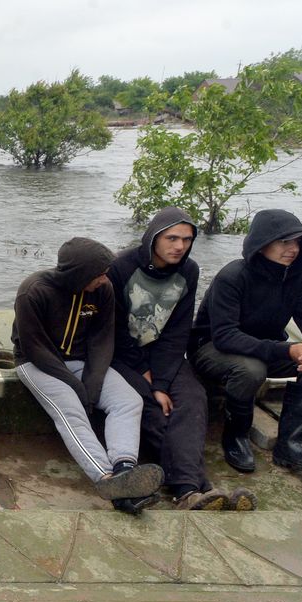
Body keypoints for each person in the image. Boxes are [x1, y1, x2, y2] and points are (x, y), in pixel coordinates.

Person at [109, 208, 255, 512]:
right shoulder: (120, 267)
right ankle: (193, 488)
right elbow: (113, 329)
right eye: (172, 238)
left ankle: (192, 491)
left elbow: (177, 331)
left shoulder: (189, 271)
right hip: (123, 356)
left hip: (165, 354)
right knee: (153, 408)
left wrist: (162, 382)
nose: (179, 246)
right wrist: (146, 375)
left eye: (187, 240)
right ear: (154, 237)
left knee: (192, 397)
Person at [12, 237, 163, 512]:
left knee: (129, 401)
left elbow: (102, 340)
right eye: (99, 274)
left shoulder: (103, 290)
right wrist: (76, 386)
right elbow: (35, 348)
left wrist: (92, 383)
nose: (104, 279)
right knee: (71, 411)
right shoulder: (32, 291)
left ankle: (124, 469)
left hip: (83, 361)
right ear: (79, 274)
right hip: (38, 363)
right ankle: (105, 477)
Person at [192, 209, 302, 474]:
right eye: (284, 242)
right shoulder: (233, 276)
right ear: (262, 244)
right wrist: (288, 350)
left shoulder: (300, 276)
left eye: (298, 242)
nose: (293, 249)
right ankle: (236, 436)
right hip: (212, 348)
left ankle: (291, 444)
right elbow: (225, 336)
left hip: (265, 348)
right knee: (251, 369)